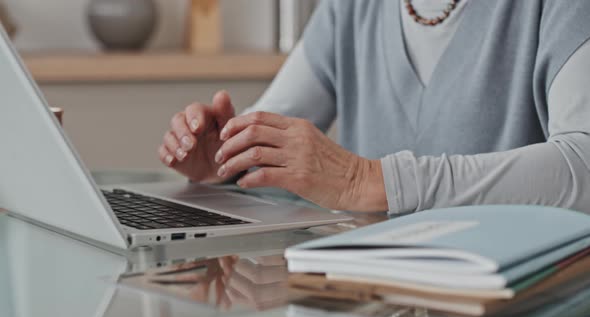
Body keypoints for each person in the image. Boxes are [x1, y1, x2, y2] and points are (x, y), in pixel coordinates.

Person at [158, 0, 590, 215]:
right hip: (372, 301)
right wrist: (228, 157)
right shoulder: (351, 7)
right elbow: (275, 135)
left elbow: (583, 164)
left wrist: (371, 181)